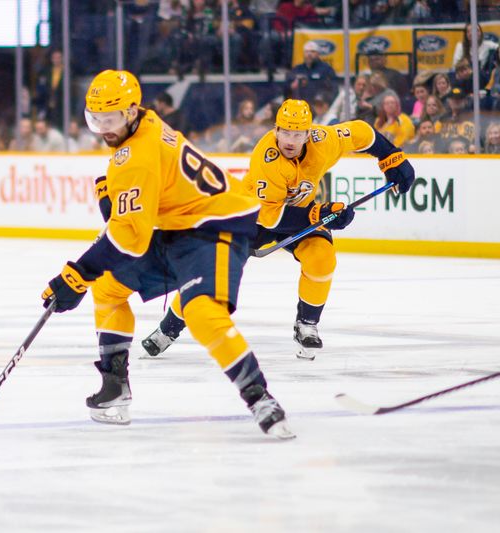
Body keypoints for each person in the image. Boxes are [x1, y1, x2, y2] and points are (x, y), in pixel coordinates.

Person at [40, 69, 295, 439]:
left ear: (130, 112)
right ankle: (115, 387)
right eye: (94, 119)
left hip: (215, 228)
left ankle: (261, 398)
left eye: (108, 119)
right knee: (109, 287)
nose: (102, 128)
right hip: (176, 230)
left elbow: (129, 239)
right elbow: (136, 213)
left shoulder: (136, 156)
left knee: (202, 311)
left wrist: (77, 274)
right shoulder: (144, 122)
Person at [141, 99, 415, 361]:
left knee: (322, 257)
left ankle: (306, 324)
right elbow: (270, 217)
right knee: (213, 273)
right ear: (276, 130)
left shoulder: (325, 141)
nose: (290, 140)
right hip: (250, 217)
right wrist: (319, 213)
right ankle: (169, 328)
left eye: (298, 134)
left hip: (297, 213)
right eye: (285, 132)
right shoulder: (267, 158)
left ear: (310, 133)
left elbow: (362, 132)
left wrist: (392, 158)